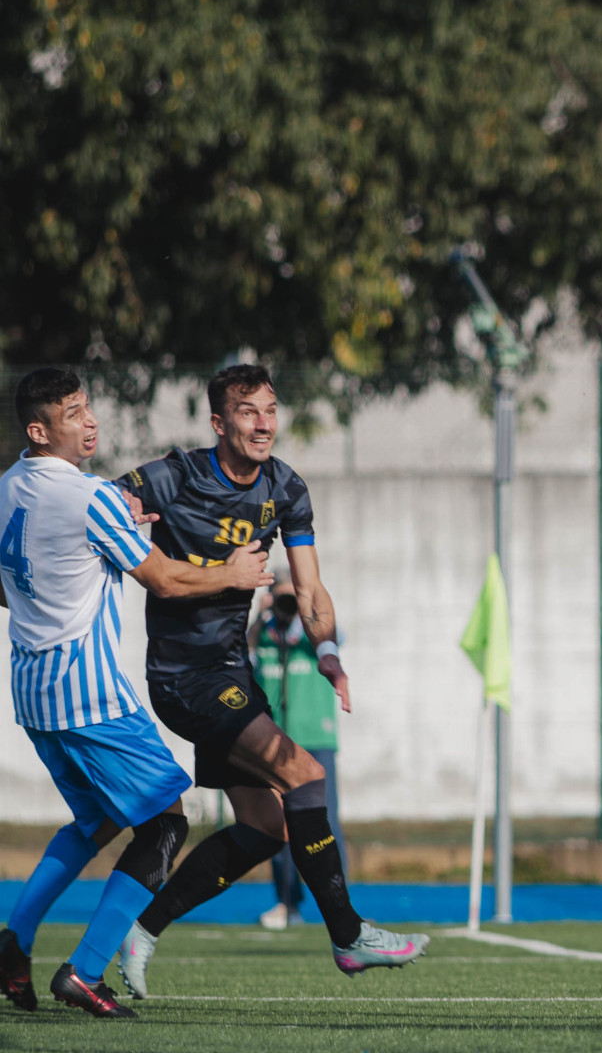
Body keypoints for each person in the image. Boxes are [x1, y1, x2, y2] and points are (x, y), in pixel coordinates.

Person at [113, 364, 427, 997]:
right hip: (182, 679)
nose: (263, 423)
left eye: (270, 410)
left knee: (265, 827)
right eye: (248, 411)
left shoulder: (285, 488)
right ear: (219, 422)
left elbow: (309, 590)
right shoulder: (175, 475)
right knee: (306, 775)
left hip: (234, 676)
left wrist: (329, 650)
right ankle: (347, 935)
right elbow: (103, 516)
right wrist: (124, 515)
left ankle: (142, 929)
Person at [0, 367, 272, 1018]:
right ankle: (86, 971)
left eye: (87, 407)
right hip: (87, 694)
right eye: (72, 413)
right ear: (40, 430)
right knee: (166, 821)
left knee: (96, 823)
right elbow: (167, 581)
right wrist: (232, 573)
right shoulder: (90, 497)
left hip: (33, 689)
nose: (89, 420)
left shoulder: (10, 485)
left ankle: (12, 941)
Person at [249, 578, 346, 931]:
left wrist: (302, 608)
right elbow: (243, 652)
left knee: (326, 823)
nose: (285, 602)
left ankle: (338, 902)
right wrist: (260, 616)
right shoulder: (264, 632)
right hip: (274, 741)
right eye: (281, 596)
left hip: (315, 739)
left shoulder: (307, 634)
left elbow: (335, 638)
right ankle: (287, 902)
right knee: (278, 825)